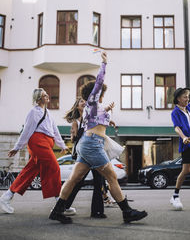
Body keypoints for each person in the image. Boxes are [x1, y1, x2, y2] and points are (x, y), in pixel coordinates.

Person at [49, 52, 148, 224]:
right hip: (92, 144)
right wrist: (104, 63)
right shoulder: (91, 103)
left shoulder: (96, 108)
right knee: (112, 177)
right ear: (94, 93)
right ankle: (127, 211)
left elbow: (97, 122)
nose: (101, 92)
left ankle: (57, 210)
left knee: (74, 179)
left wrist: (109, 115)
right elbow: (100, 81)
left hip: (89, 143)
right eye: (100, 91)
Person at [0, 88, 70, 222]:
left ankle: (6, 196)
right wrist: (17, 147)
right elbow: (27, 130)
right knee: (54, 167)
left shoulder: (48, 112)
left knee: (29, 171)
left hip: (46, 143)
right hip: (37, 142)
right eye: (44, 95)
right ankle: (60, 203)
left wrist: (62, 145)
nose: (48, 96)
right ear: (38, 99)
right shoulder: (33, 112)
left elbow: (55, 130)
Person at [63, 97, 106, 218]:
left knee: (99, 181)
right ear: (77, 106)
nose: (84, 103)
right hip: (84, 154)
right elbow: (73, 140)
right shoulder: (76, 121)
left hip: (94, 152)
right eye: (81, 101)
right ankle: (64, 206)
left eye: (85, 101)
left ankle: (97, 211)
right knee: (78, 182)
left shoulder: (91, 117)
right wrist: (73, 133)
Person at [170, 87, 190, 210]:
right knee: (186, 170)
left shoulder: (188, 108)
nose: (187, 98)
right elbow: (177, 127)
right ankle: (175, 196)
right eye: (184, 96)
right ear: (178, 98)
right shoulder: (175, 112)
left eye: (187, 96)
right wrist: (183, 137)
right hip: (187, 141)